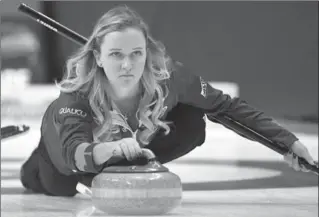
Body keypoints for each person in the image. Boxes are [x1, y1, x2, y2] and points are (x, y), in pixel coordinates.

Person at [20, 5, 316, 197]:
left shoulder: (169, 77)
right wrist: (107, 149)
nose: (127, 65)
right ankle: (36, 165)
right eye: (116, 54)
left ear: (147, 52)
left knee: (192, 120)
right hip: (65, 154)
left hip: (118, 148)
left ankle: (128, 167)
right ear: (97, 56)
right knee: (58, 187)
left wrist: (287, 142)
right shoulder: (76, 92)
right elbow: (74, 152)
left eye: (136, 53)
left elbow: (228, 108)